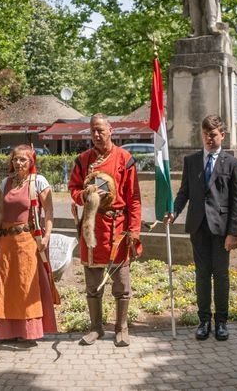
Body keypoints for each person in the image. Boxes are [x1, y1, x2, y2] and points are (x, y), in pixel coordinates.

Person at [166, 115, 237, 341]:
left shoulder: (232, 163)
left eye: (213, 134)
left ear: (222, 136)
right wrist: (174, 210)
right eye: (205, 134)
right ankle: (204, 321)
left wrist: (233, 232)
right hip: (198, 226)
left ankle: (221, 322)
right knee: (201, 275)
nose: (209, 138)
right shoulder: (192, 161)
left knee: (220, 275)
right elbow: (184, 192)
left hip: (221, 230)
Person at [68, 114, 142, 347]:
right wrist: (85, 195)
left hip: (118, 228)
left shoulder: (125, 158)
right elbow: (73, 191)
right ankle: (95, 328)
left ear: (111, 130)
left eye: (101, 130)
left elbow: (134, 199)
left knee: (121, 283)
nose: (97, 135)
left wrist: (134, 231)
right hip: (93, 227)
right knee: (92, 284)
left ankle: (121, 328)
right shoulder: (83, 160)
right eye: (93, 131)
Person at [0, 145, 57, 343]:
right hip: (7, 241)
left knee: (27, 285)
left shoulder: (39, 182)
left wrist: (46, 237)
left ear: (31, 162)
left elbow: (49, 212)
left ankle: (29, 331)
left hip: (28, 240)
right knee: (7, 284)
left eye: (23, 160)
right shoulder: (6, 183)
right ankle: (9, 331)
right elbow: (0, 211)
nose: (18, 163)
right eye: (15, 159)